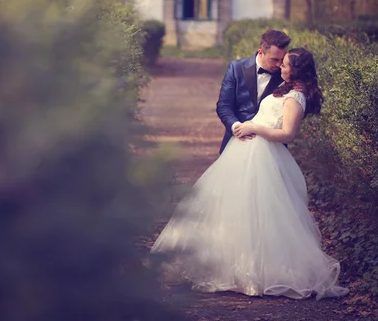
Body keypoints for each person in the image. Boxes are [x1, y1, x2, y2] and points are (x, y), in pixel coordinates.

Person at [149, 48, 349, 300]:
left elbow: (287, 134)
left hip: (265, 156)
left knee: (260, 212)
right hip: (245, 152)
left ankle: (255, 272)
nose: (280, 68)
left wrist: (254, 126)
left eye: (285, 65)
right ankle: (227, 264)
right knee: (231, 207)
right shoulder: (284, 87)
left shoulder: (296, 96)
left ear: (295, 70)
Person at [216, 30, 290, 154]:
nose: (279, 64)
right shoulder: (236, 68)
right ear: (261, 52)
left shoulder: (286, 75)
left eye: (282, 60)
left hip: (272, 149)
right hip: (237, 142)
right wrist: (237, 128)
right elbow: (223, 105)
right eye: (274, 59)